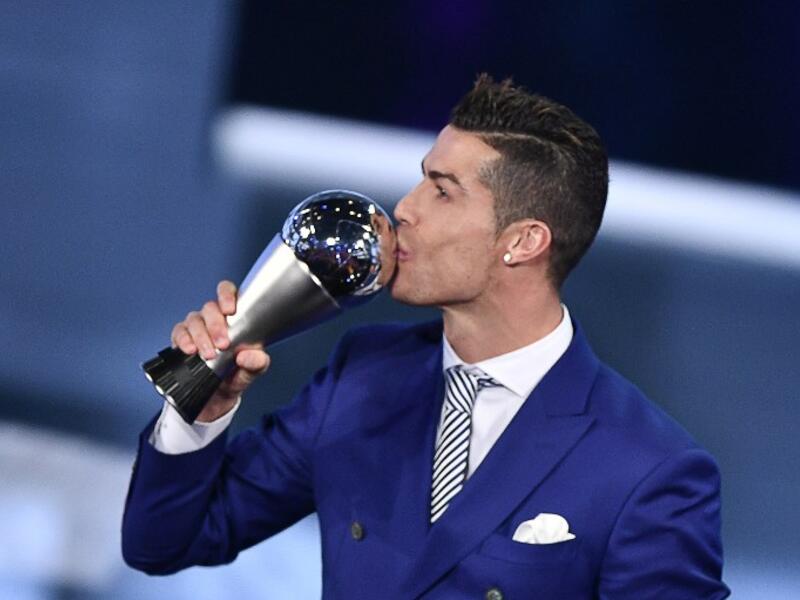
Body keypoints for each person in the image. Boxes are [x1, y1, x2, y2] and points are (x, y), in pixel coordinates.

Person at [122, 75, 730, 599]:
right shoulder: (363, 376)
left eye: (442, 191)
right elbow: (162, 541)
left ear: (523, 241)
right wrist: (199, 406)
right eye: (420, 182)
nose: (404, 209)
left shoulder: (649, 469)